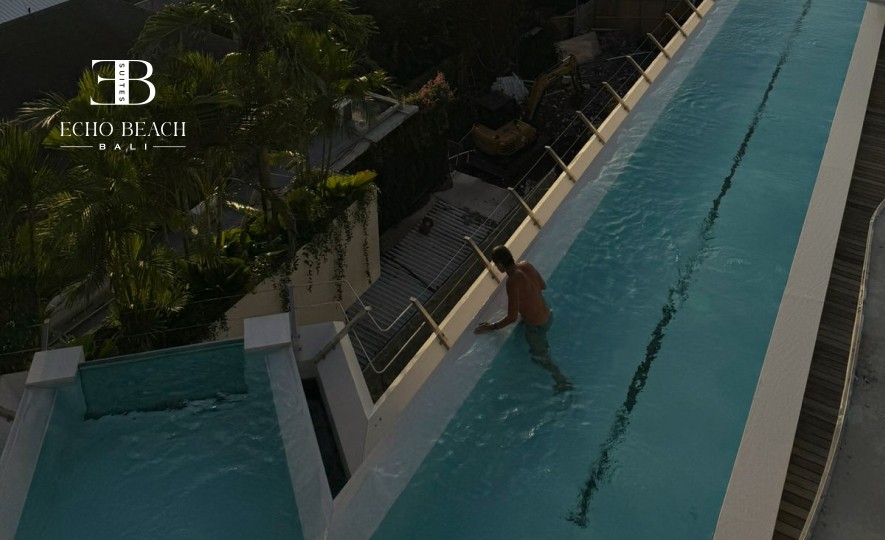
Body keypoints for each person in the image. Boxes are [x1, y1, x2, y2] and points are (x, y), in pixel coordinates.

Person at [474, 246, 572, 392]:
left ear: (500, 265)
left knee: (539, 358)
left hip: (536, 327)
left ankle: (561, 381)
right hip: (548, 314)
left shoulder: (512, 282)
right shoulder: (526, 265)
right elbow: (542, 286)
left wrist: (491, 326)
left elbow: (512, 318)